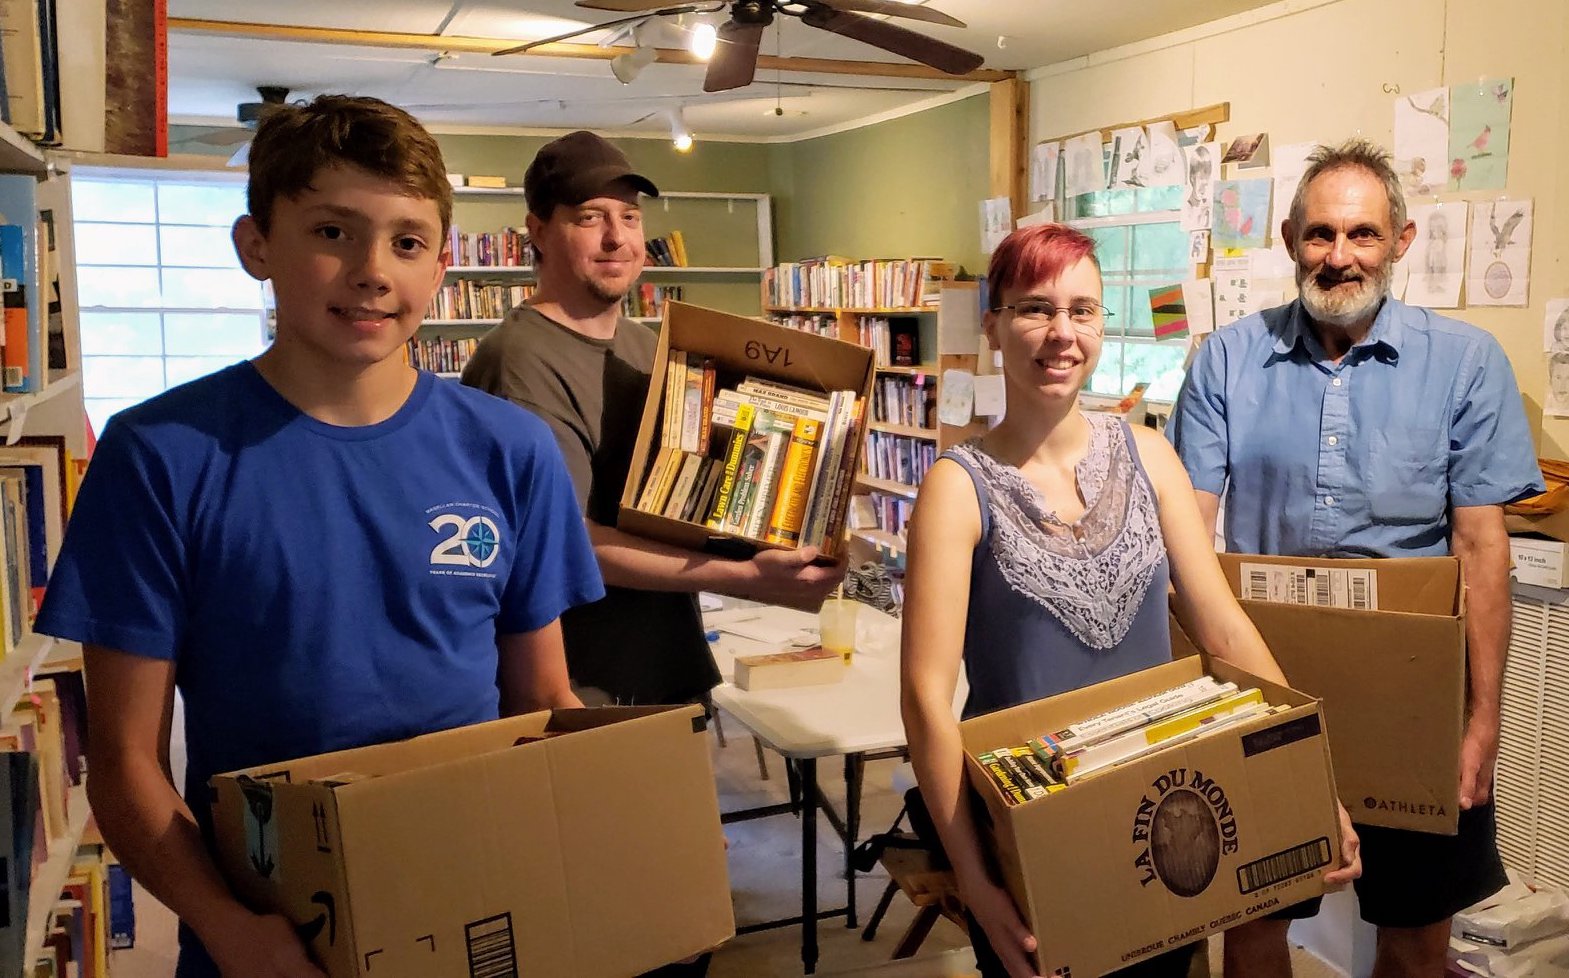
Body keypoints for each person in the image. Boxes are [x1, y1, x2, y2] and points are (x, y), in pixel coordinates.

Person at [34, 96, 606, 978]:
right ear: (256, 245)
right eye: (332, 232)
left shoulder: (510, 449)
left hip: (471, 905)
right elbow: (123, 762)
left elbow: (539, 701)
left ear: (443, 266)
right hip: (267, 931)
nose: (374, 272)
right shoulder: (161, 455)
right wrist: (229, 928)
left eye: (407, 242)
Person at [899, 223, 1359, 978]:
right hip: (1031, 835)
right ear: (992, 325)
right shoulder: (958, 487)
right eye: (1034, 309)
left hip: (1165, 817)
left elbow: (1222, 627)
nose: (1060, 334)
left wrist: (1313, 781)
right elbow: (924, 699)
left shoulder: (1147, 455)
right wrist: (975, 886)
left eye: (1082, 311)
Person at [1168, 138, 1543, 978]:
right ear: (1288, 235)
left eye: (1362, 235)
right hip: (1262, 690)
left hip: (1413, 696)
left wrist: (1480, 723)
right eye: (1320, 234)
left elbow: (1482, 551)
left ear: (1400, 242)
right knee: (1257, 925)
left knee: (1414, 938)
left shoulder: (1465, 363)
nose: (1339, 257)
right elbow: (1185, 537)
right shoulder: (1226, 359)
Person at [461, 130, 844, 715]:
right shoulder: (519, 360)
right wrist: (742, 578)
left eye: (631, 217)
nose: (618, 238)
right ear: (538, 231)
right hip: (579, 688)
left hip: (667, 666)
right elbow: (569, 546)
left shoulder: (654, 348)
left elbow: (682, 508)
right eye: (591, 217)